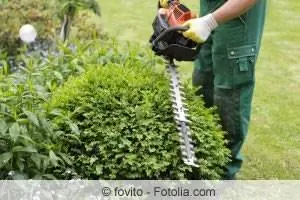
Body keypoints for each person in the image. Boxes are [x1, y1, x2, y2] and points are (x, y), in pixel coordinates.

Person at [159, 0, 266, 179]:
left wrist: (209, 22)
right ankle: (204, 158)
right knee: (203, 83)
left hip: (239, 19)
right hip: (210, 10)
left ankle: (223, 174)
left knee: (229, 96)